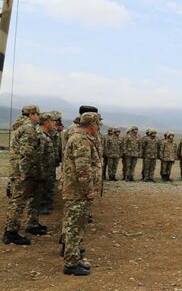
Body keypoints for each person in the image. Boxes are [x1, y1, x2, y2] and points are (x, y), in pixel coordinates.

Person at [61, 112, 101, 276]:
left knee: (76, 225)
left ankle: (74, 257)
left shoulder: (79, 138)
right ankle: (71, 263)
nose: (97, 128)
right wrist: (89, 190)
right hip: (78, 191)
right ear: (92, 125)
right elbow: (83, 168)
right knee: (74, 226)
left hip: (77, 190)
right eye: (97, 125)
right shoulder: (81, 140)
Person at [3, 105, 41, 245]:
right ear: (31, 114)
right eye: (37, 114)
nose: (39, 116)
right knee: (18, 202)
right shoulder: (28, 129)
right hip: (21, 172)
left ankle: (10, 230)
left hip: (16, 169)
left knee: (16, 201)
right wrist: (24, 173)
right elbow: (26, 153)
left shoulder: (20, 126)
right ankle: (11, 233)